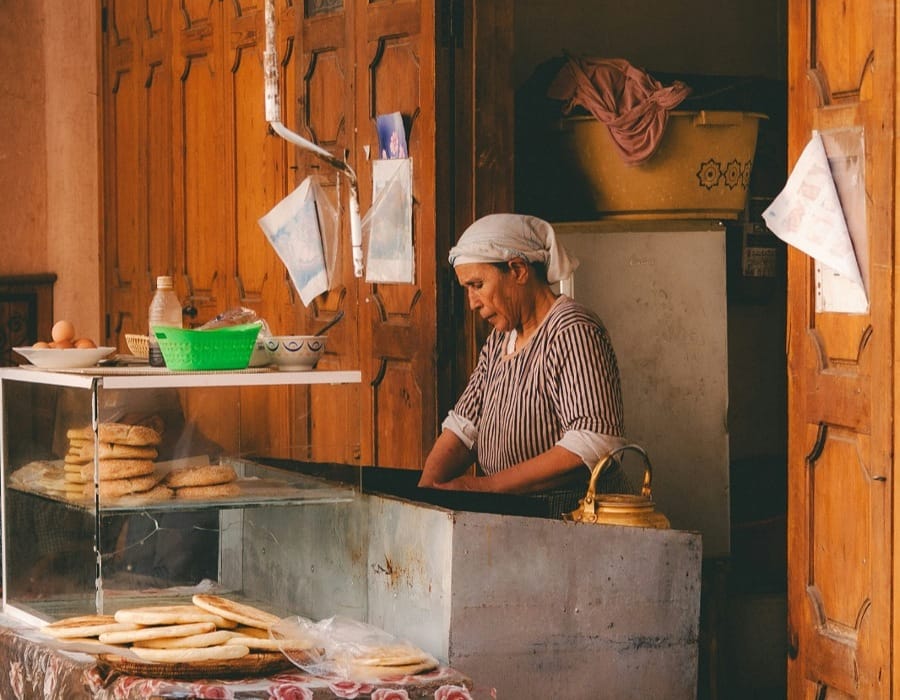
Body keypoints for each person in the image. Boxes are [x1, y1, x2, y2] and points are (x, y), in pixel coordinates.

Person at [418, 213, 629, 510]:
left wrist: (484, 488)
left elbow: (593, 443)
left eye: (477, 285)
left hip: (574, 520)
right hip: (520, 518)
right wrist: (427, 493)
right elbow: (465, 424)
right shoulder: (500, 340)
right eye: (467, 289)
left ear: (517, 270)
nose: (472, 302)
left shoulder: (571, 329)